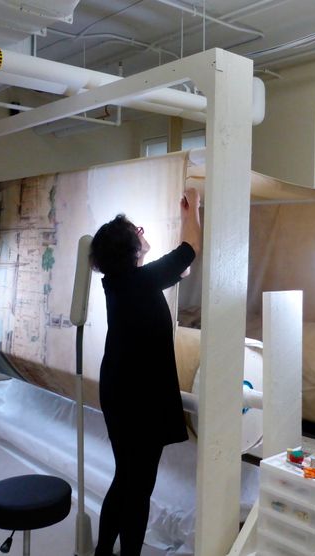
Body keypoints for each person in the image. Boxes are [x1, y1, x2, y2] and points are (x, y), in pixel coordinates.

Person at [89, 187, 201, 556]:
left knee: (127, 480)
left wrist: (151, 244)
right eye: (136, 231)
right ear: (131, 249)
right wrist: (192, 208)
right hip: (137, 397)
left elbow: (180, 268)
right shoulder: (138, 282)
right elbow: (188, 252)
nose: (142, 232)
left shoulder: (125, 282)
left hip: (124, 390)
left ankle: (105, 552)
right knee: (137, 486)